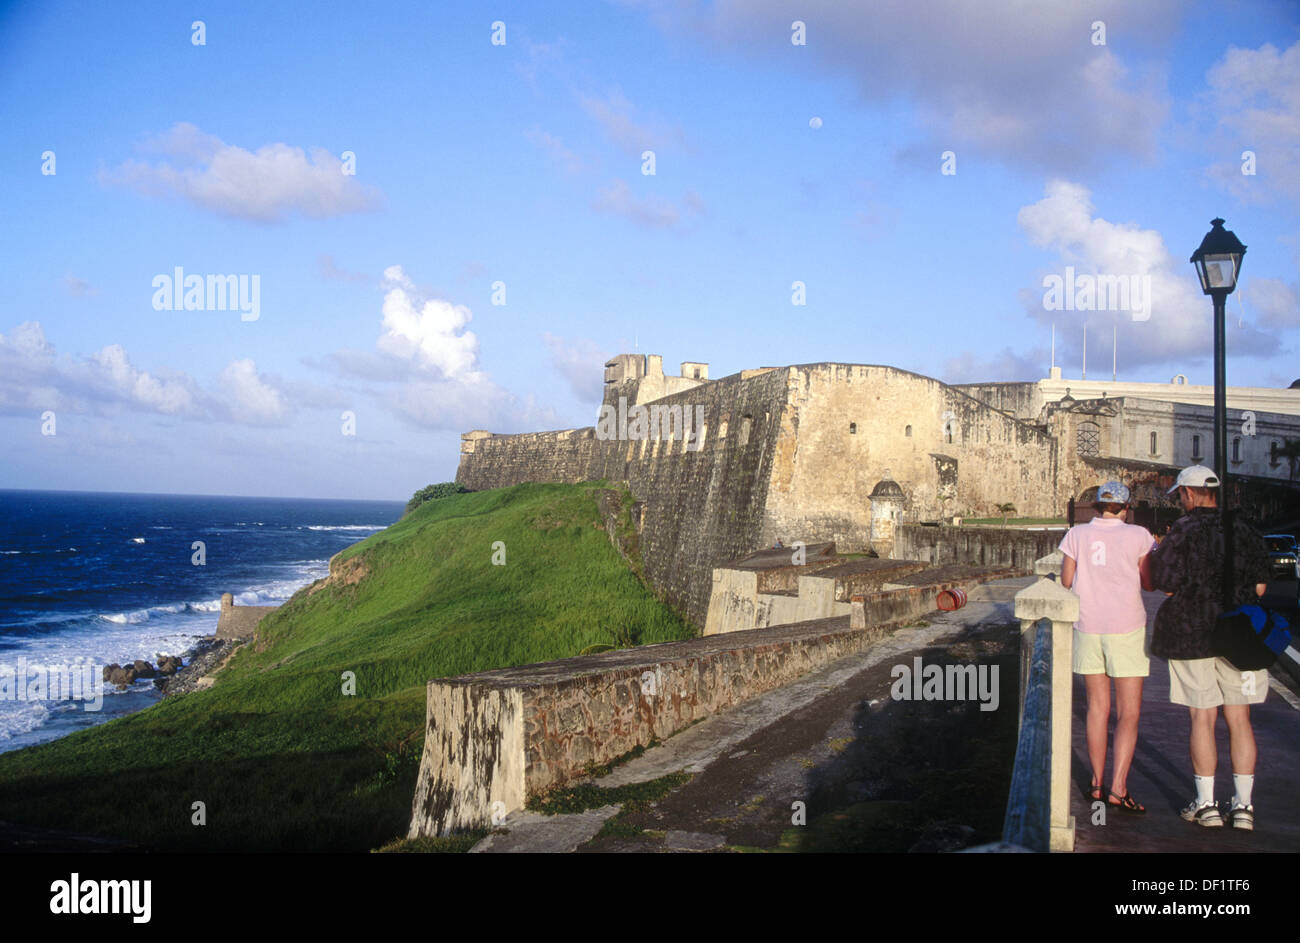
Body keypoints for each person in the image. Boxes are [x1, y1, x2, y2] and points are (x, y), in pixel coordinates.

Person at [1148, 465, 1270, 830]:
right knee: (1240, 718)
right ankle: (1244, 808)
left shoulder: (1183, 531)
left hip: (1192, 633)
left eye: (1181, 495)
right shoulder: (1245, 529)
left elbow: (1166, 585)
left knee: (1203, 717)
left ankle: (1206, 806)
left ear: (1188, 493)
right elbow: (1261, 587)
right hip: (1241, 636)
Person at [1059, 481, 1156, 814]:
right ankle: (1119, 788)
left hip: (1088, 625)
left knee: (1097, 708)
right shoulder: (1140, 535)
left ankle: (1096, 784)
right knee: (1129, 712)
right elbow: (1148, 582)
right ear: (1125, 508)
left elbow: (1067, 581)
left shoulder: (1077, 534)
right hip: (1127, 627)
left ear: (1098, 506)